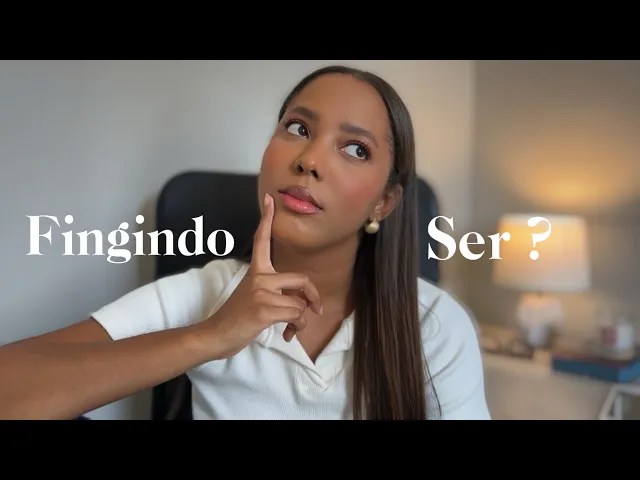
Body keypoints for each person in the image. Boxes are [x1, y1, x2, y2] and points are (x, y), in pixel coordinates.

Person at [0, 65, 490, 420]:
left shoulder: (436, 326)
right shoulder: (206, 293)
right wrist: (211, 336)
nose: (310, 159)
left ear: (383, 202)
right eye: (298, 128)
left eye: (355, 149)